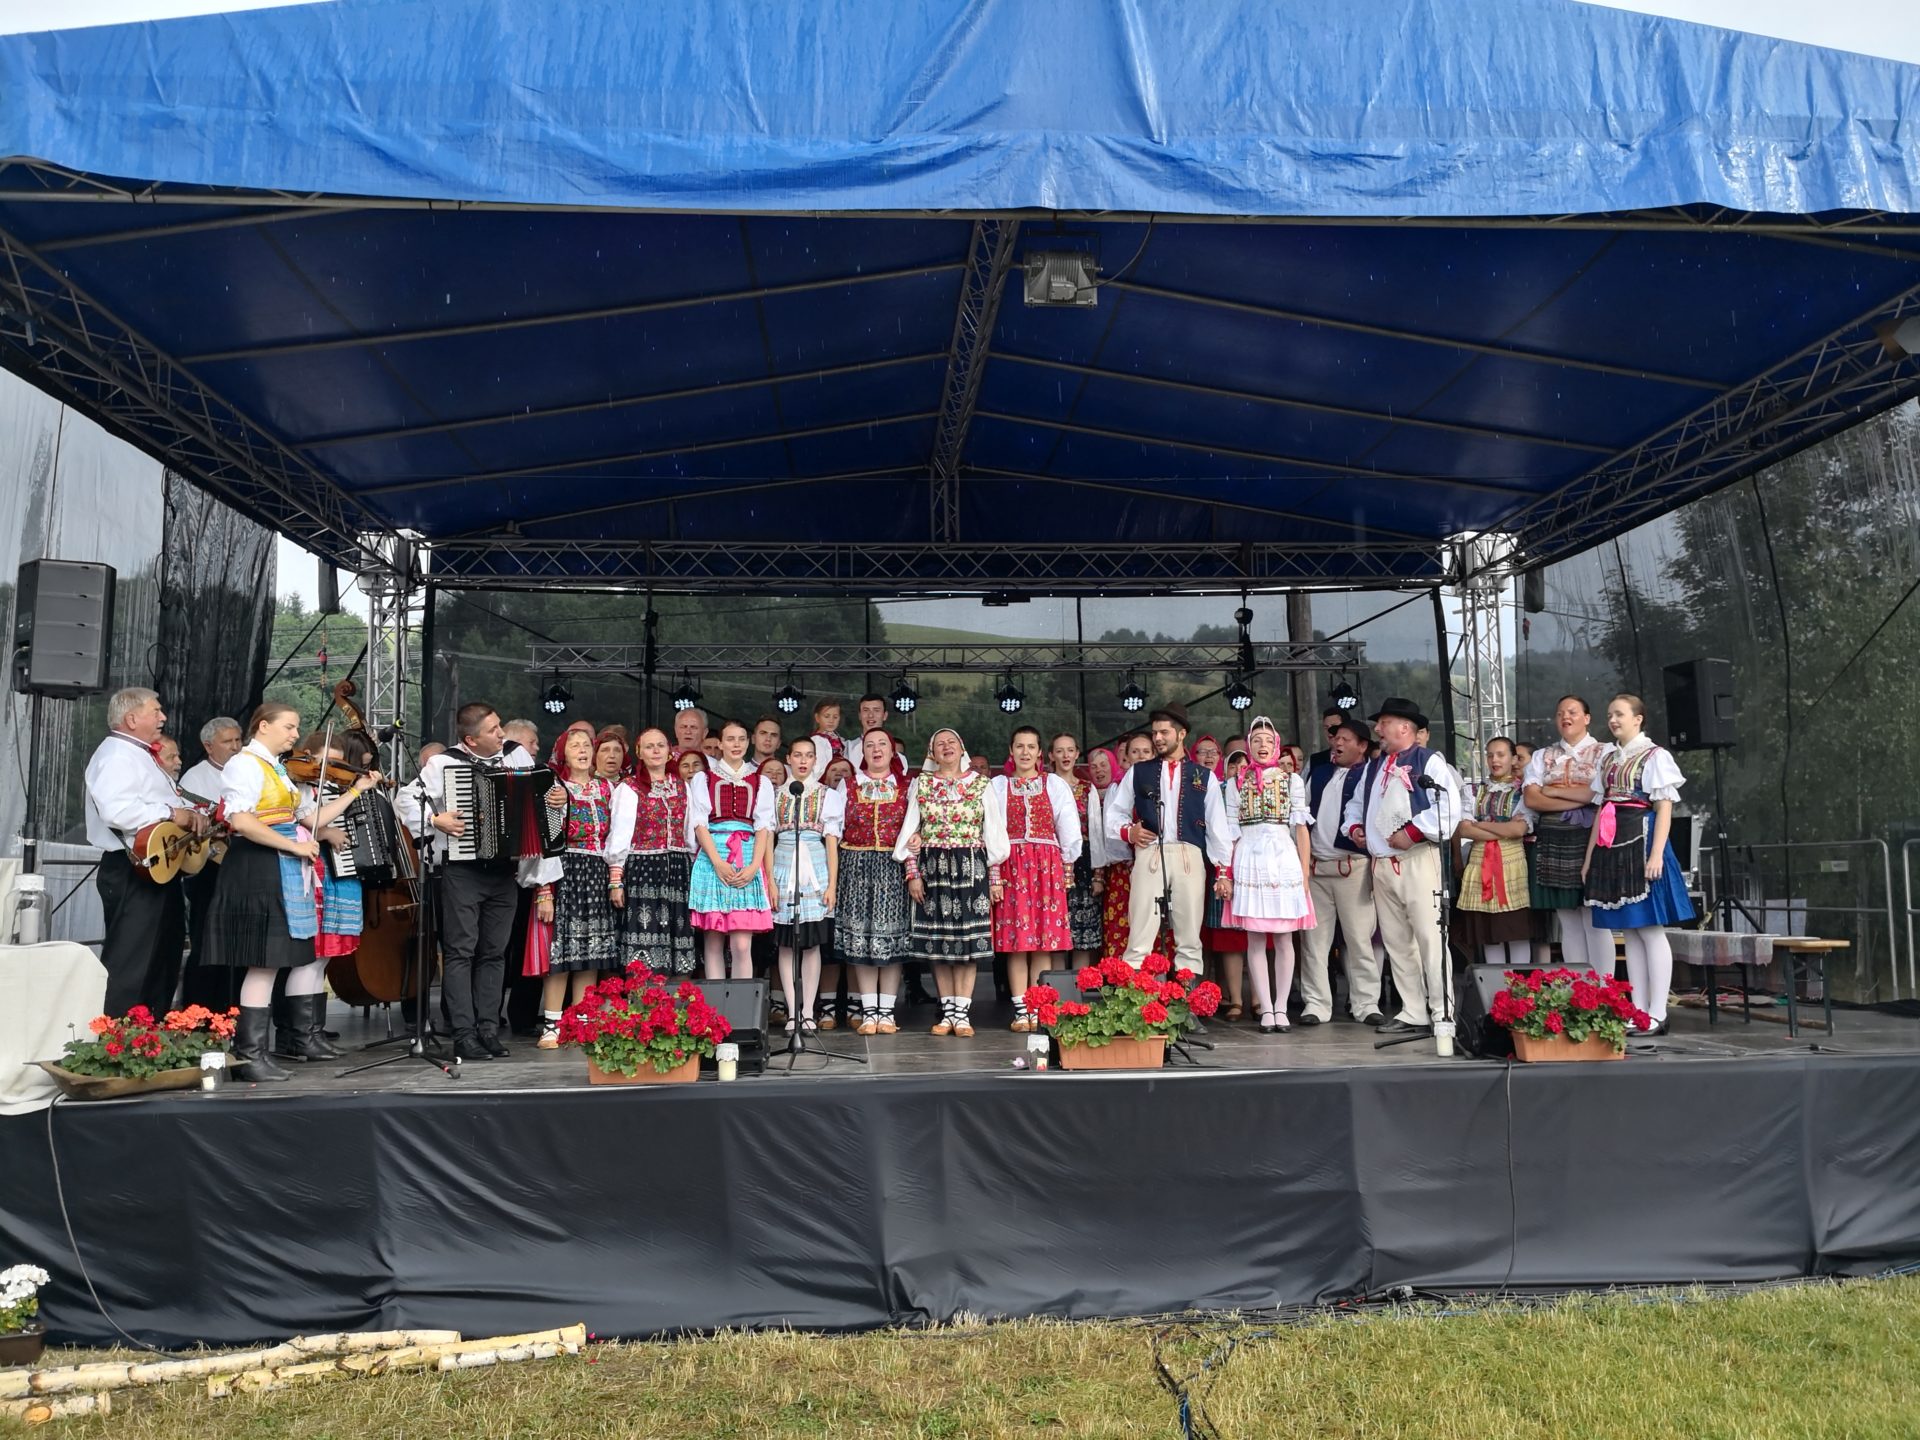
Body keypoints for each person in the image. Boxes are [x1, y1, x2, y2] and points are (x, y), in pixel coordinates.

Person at [198, 701, 379, 1079]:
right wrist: (293, 846)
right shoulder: (245, 764)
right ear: (263, 726)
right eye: (289, 727)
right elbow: (241, 821)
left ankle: (255, 1054)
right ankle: (249, 1055)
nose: (296, 735)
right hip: (258, 865)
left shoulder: (276, 767)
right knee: (263, 962)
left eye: (296, 727)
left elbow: (310, 819)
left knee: (272, 962)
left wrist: (355, 791)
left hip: (278, 863)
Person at [395, 702, 534, 1061]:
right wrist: (435, 820)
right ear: (471, 740)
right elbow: (406, 799)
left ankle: (488, 1029)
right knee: (460, 952)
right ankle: (463, 1033)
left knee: (495, 952)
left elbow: (536, 795)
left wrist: (552, 796)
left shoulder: (516, 758)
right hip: (463, 871)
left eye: (500, 725)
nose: (501, 734)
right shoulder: (445, 763)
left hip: (504, 870)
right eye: (493, 730)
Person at [1342, 698, 1462, 1039]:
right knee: (1397, 942)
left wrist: (1412, 832)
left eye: (1384, 723)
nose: (1378, 729)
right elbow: (1356, 804)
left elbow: (1448, 806)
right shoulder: (1375, 767)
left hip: (1417, 860)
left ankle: (1442, 1011)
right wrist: (1356, 828)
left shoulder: (1429, 760)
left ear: (1405, 727)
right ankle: (1413, 1010)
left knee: (1430, 938)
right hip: (1382, 865)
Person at [82, 687, 202, 1017]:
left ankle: (152, 1031)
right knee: (132, 961)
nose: (163, 717)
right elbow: (118, 811)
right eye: (155, 711)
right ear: (131, 719)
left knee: (163, 955)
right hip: (130, 867)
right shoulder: (116, 756)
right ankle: (118, 1035)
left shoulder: (138, 754)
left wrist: (193, 814)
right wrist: (171, 813)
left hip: (157, 867)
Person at [1582, 694, 1694, 1034]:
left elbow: (1664, 807)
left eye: (1619, 714)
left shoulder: (1654, 756)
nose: (1613, 720)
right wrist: (1589, 858)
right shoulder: (1609, 759)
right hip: (1612, 847)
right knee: (1629, 932)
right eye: (1610, 715)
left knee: (1650, 930)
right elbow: (1602, 811)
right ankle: (1640, 1010)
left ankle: (1658, 1011)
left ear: (1638, 718)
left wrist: (1656, 854)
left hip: (1642, 843)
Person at [895, 727, 1009, 1037]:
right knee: (939, 944)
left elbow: (993, 831)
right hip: (933, 868)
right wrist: (913, 874)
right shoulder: (922, 784)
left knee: (967, 943)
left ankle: (962, 1013)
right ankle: (947, 1012)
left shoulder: (981, 784)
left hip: (971, 867)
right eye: (939, 744)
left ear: (962, 748)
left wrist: (995, 878)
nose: (946, 747)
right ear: (932, 753)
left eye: (952, 742)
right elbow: (910, 830)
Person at [1210, 717, 1314, 1033]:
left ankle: (1281, 1006)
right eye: (1256, 740)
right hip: (1249, 858)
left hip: (1283, 858)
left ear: (1277, 744)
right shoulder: (1236, 782)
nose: (1263, 745)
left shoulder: (1291, 780)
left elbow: (1301, 829)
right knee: (1254, 938)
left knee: (1284, 937)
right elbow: (1229, 832)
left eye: (1268, 739)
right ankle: (1266, 1008)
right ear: (1249, 745)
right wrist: (1224, 872)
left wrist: (1305, 874)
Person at [1103, 703, 1223, 974]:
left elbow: (1217, 827)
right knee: (1140, 931)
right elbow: (1114, 814)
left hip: (1189, 853)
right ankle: (1135, 995)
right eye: (1155, 732)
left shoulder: (1203, 776)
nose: (1157, 738)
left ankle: (1186, 995)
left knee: (1189, 935)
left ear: (1181, 734)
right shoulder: (1139, 771)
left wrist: (1223, 870)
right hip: (1150, 851)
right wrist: (1129, 832)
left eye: (1164, 733)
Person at [528, 727, 621, 1047]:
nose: (582, 750)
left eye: (586, 745)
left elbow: (615, 836)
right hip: (565, 872)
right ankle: (552, 1024)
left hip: (597, 873)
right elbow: (544, 842)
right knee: (561, 951)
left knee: (590, 952)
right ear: (563, 754)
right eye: (574, 746)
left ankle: (583, 1020)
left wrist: (614, 877)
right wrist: (544, 891)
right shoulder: (555, 789)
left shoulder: (607, 788)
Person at [990, 725, 1083, 1031]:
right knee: (1018, 943)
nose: (1025, 752)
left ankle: (1038, 1006)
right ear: (1011, 751)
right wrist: (994, 871)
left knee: (1042, 941)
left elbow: (1068, 825)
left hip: (1046, 866)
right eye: (1020, 746)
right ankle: (1021, 1010)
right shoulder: (999, 786)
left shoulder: (1053, 784)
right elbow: (991, 830)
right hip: (1012, 865)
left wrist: (1067, 867)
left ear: (1040, 752)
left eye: (1031, 746)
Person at [1299, 718, 1384, 1026]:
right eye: (1336, 737)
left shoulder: (1372, 776)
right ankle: (1316, 1004)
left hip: (1353, 868)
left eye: (1346, 739)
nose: (1338, 742)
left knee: (1359, 940)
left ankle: (1366, 1003)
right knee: (1314, 942)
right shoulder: (1320, 772)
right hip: (1317, 868)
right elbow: (1301, 817)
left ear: (1362, 746)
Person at [606, 725, 699, 987]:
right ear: (639, 752)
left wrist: (692, 868)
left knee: (679, 935)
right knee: (644, 934)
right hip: (644, 869)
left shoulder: (681, 786)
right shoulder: (629, 787)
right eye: (649, 746)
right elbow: (620, 834)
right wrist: (616, 880)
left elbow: (689, 834)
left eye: (660, 745)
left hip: (678, 870)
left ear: (670, 751)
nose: (656, 750)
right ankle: (643, 1003)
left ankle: (678, 1004)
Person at [1522, 695, 1609, 972]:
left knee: (1594, 918)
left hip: (1590, 838)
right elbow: (1532, 799)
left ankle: (1603, 987)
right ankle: (1579, 986)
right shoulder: (1542, 755)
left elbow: (1600, 795)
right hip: (1553, 838)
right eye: (1560, 713)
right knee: (1568, 920)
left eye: (1572, 712)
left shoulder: (1605, 752)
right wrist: (1579, 798)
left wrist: (1553, 790)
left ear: (1587, 718)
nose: (1565, 717)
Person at [767, 737, 844, 1034]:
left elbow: (832, 844)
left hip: (815, 869)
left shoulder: (827, 795)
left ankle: (809, 1010)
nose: (802, 761)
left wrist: (832, 885)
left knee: (811, 944)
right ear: (788, 758)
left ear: (815, 760)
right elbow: (768, 840)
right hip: (783, 867)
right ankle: (791, 1011)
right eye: (797, 755)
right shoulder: (774, 795)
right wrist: (771, 881)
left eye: (808, 756)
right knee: (787, 944)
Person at [837, 728, 912, 1034]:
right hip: (855, 866)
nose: (876, 749)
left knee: (891, 940)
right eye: (870, 745)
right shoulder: (848, 785)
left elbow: (915, 827)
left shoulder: (906, 786)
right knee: (861, 939)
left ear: (893, 752)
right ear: (862, 752)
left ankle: (887, 1012)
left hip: (893, 868)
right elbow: (835, 829)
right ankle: (869, 1011)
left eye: (882, 744)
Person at [689, 719, 776, 980]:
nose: (736, 744)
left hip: (747, 854)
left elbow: (763, 827)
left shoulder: (760, 781)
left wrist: (754, 867)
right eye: (730, 739)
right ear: (720, 743)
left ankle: (740, 1001)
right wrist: (717, 861)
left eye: (741, 739)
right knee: (714, 940)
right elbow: (699, 823)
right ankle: (716, 1004)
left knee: (741, 944)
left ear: (748, 742)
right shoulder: (704, 778)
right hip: (713, 854)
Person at [179, 714, 243, 1010]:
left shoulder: (248, 772)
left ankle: (234, 1011)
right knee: (207, 943)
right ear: (208, 746)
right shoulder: (195, 778)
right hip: (209, 869)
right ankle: (199, 1014)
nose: (235, 747)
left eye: (238, 740)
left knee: (240, 946)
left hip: (242, 867)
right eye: (227, 741)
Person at [1454, 736, 1536, 967]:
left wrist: (1480, 825)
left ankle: (1519, 985)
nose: (1494, 760)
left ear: (1513, 759)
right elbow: (1463, 829)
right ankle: (1496, 985)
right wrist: (1504, 829)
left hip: (1511, 862)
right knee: (1490, 932)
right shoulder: (1473, 790)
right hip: (1480, 862)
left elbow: (1519, 829)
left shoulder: (1523, 791)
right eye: (1490, 755)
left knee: (1516, 930)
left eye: (1501, 755)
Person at [1099, 732, 1159, 959]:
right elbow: (1111, 829)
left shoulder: (1163, 783)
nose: (1141, 756)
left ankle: (1158, 975)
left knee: (1156, 919)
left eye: (1146, 752)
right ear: (1126, 756)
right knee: (1126, 922)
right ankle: (1123, 975)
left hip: (1158, 863)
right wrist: (1131, 836)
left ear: (1154, 754)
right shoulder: (1118, 786)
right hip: (1125, 867)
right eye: (1135, 751)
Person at [1048, 732, 1106, 966]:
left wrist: (1098, 874)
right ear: (1051, 755)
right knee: (1056, 932)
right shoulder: (1044, 785)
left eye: (1070, 750)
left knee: (1083, 934)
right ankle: (1054, 987)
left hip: (1083, 862)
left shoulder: (1087, 788)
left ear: (1077, 754)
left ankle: (1081, 987)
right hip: (1051, 860)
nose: (1065, 755)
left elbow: (1096, 832)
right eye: (1059, 750)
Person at [810, 699, 850, 770]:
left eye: (835, 717)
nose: (831, 721)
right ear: (817, 717)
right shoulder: (816, 740)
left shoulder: (838, 738)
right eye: (826, 716)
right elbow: (818, 767)